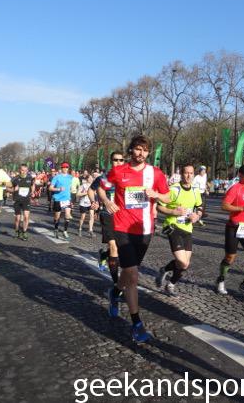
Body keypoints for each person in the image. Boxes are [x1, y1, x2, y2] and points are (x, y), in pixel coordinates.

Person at [102, 136, 169, 342]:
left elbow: (167, 197)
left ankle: (115, 292)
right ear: (131, 150)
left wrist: (156, 194)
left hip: (145, 229)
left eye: (145, 150)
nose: (141, 153)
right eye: (138, 149)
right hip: (122, 227)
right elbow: (101, 187)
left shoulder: (155, 173)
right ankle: (137, 324)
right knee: (132, 274)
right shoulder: (118, 171)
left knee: (129, 273)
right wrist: (106, 201)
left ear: (148, 152)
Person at [155, 164, 204, 296]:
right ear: (181, 174)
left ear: (194, 174)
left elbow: (199, 207)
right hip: (172, 226)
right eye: (186, 173)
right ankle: (166, 272)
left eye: (191, 173)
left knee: (185, 264)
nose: (188, 176)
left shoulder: (195, 190)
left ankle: (169, 282)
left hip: (187, 228)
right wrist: (173, 212)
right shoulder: (174, 189)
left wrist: (197, 215)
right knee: (182, 261)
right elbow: (159, 207)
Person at [216, 164, 244, 298]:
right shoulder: (235, 188)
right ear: (241, 176)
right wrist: (241, 209)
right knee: (230, 257)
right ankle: (221, 280)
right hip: (233, 227)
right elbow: (224, 206)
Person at [94, 151, 125, 276]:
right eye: (115, 160)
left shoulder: (128, 177)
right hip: (107, 213)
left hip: (122, 216)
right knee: (113, 246)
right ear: (111, 161)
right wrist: (94, 202)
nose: (118, 162)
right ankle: (116, 283)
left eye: (121, 160)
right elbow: (92, 190)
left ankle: (104, 255)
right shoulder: (103, 178)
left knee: (120, 247)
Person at [49, 163, 74, 239]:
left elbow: (70, 188)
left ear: (68, 168)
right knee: (57, 216)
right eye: (64, 167)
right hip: (58, 199)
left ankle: (65, 231)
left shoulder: (70, 177)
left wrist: (71, 198)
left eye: (67, 167)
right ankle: (56, 229)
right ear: (61, 168)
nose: (65, 168)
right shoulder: (57, 177)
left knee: (67, 215)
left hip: (67, 199)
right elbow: (50, 188)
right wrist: (58, 189)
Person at [11, 164, 35, 240]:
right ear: (19, 170)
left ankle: (24, 232)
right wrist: (14, 189)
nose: (24, 172)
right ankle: (17, 231)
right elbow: (8, 188)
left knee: (26, 217)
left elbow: (33, 185)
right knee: (17, 218)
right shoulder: (15, 178)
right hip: (17, 200)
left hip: (26, 200)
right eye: (22, 170)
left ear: (27, 171)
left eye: (25, 170)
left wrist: (32, 192)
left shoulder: (30, 178)